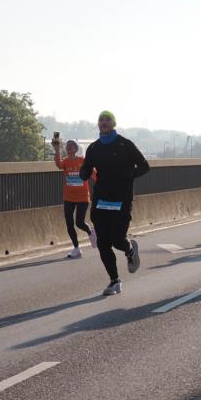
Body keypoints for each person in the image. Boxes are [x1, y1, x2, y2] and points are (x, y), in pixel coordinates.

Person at [78, 111, 150, 295]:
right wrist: (84, 172)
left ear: (113, 123)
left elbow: (144, 166)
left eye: (107, 120)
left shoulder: (125, 145)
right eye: (101, 120)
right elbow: (86, 168)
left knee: (117, 240)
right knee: (103, 243)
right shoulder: (94, 148)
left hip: (121, 200)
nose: (103, 122)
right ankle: (114, 281)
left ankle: (130, 251)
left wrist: (128, 176)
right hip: (101, 200)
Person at [53, 137, 95, 258]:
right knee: (69, 223)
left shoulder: (82, 161)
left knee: (80, 222)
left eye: (71, 145)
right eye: (67, 145)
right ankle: (76, 249)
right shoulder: (65, 162)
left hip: (82, 197)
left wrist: (104, 184)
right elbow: (58, 165)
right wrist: (56, 150)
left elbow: (94, 174)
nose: (68, 146)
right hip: (69, 197)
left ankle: (91, 232)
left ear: (76, 149)